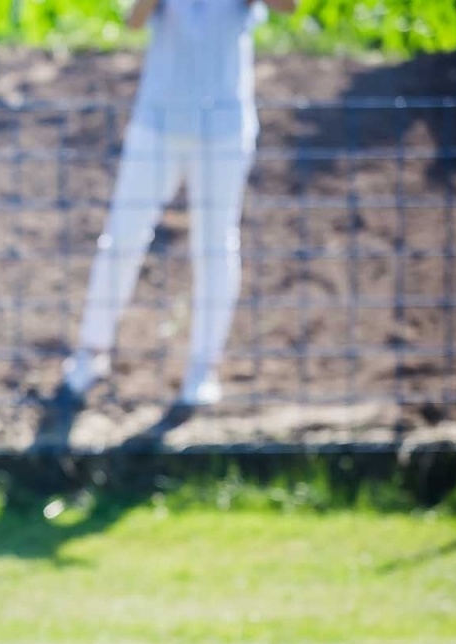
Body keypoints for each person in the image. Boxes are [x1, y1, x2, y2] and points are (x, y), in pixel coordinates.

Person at [47, 0, 294, 418]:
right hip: (157, 124)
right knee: (122, 238)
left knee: (215, 246)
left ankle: (202, 367)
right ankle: (92, 351)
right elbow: (133, 20)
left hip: (224, 128)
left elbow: (287, 7)